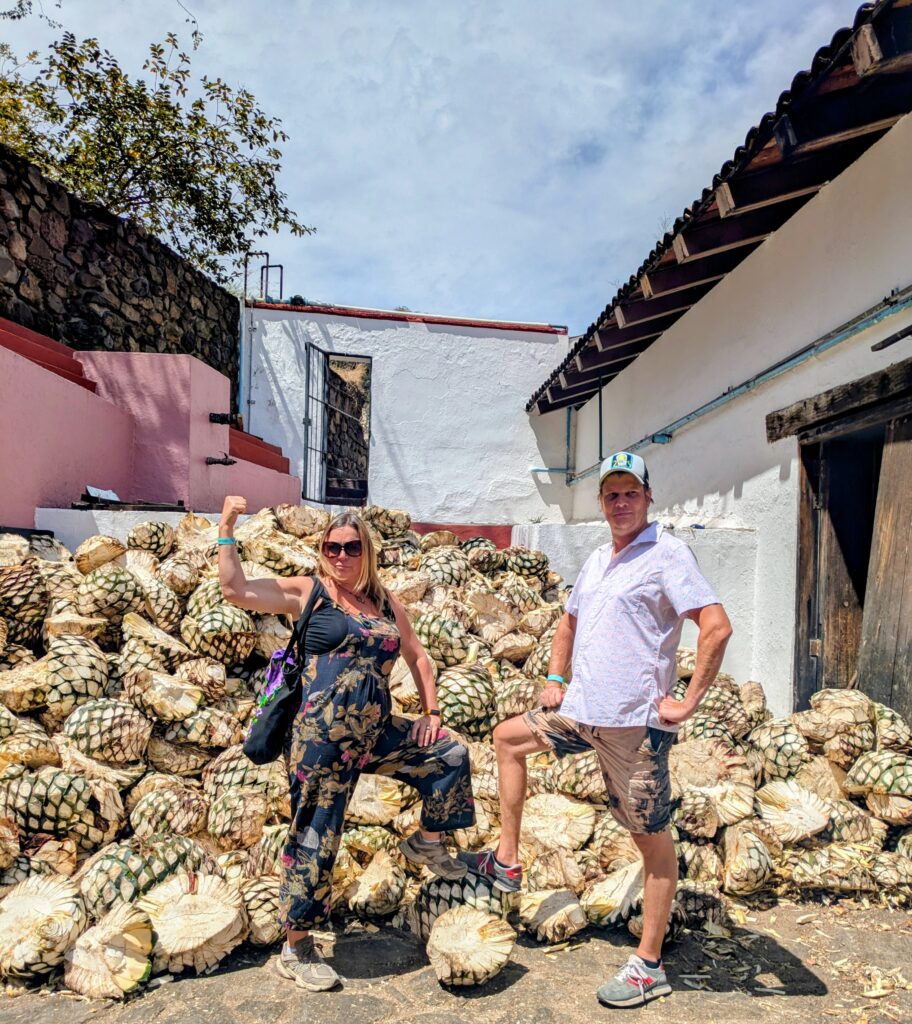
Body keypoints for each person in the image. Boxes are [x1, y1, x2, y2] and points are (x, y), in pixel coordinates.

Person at [459, 451, 732, 1009]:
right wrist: (555, 676)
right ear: (602, 503)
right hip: (580, 713)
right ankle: (507, 859)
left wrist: (688, 700)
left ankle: (649, 965)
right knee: (508, 738)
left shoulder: (667, 554)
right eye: (612, 495)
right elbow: (569, 620)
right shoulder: (598, 561)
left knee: (651, 842)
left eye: (631, 492)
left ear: (648, 498)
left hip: (634, 728)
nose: (621, 503)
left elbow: (716, 626)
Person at [218, 497, 475, 992]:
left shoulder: (382, 601)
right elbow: (236, 588)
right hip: (321, 742)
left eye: (351, 547)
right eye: (332, 547)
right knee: (315, 835)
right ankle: (296, 946)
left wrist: (431, 713)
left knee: (449, 755)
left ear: (366, 551)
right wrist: (227, 526)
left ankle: (427, 842)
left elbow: (419, 658)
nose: (341, 555)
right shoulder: (308, 593)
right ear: (321, 551)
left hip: (375, 734)